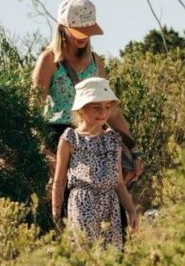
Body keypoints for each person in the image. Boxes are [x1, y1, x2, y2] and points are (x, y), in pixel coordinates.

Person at [32, 0, 143, 183]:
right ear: (62, 29)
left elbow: (112, 112)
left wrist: (134, 151)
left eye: (87, 30)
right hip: (58, 137)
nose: (83, 36)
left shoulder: (96, 62)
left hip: (93, 136)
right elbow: (33, 110)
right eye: (78, 31)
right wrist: (43, 151)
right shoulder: (49, 60)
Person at [52, 77, 138, 249]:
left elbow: (119, 182)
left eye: (107, 107)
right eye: (96, 107)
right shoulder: (70, 138)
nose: (103, 112)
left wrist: (131, 210)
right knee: (87, 254)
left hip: (110, 206)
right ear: (81, 110)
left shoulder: (113, 139)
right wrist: (56, 213)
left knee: (110, 257)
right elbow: (59, 180)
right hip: (82, 205)